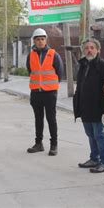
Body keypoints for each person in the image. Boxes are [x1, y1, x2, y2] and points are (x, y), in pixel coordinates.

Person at [73, 38, 104, 173]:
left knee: (98, 135)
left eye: (92, 48)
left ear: (98, 50)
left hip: (98, 107)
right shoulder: (82, 65)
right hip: (84, 107)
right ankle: (94, 159)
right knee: (90, 134)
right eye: (86, 48)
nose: (89, 50)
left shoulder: (103, 66)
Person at [26, 28, 63, 156]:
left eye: (42, 39)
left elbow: (60, 73)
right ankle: (38, 143)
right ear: (34, 41)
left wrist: (52, 87)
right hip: (36, 92)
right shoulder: (30, 55)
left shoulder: (53, 54)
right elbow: (30, 71)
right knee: (38, 119)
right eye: (38, 39)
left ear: (46, 40)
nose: (40, 42)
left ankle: (54, 145)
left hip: (50, 93)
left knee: (51, 119)